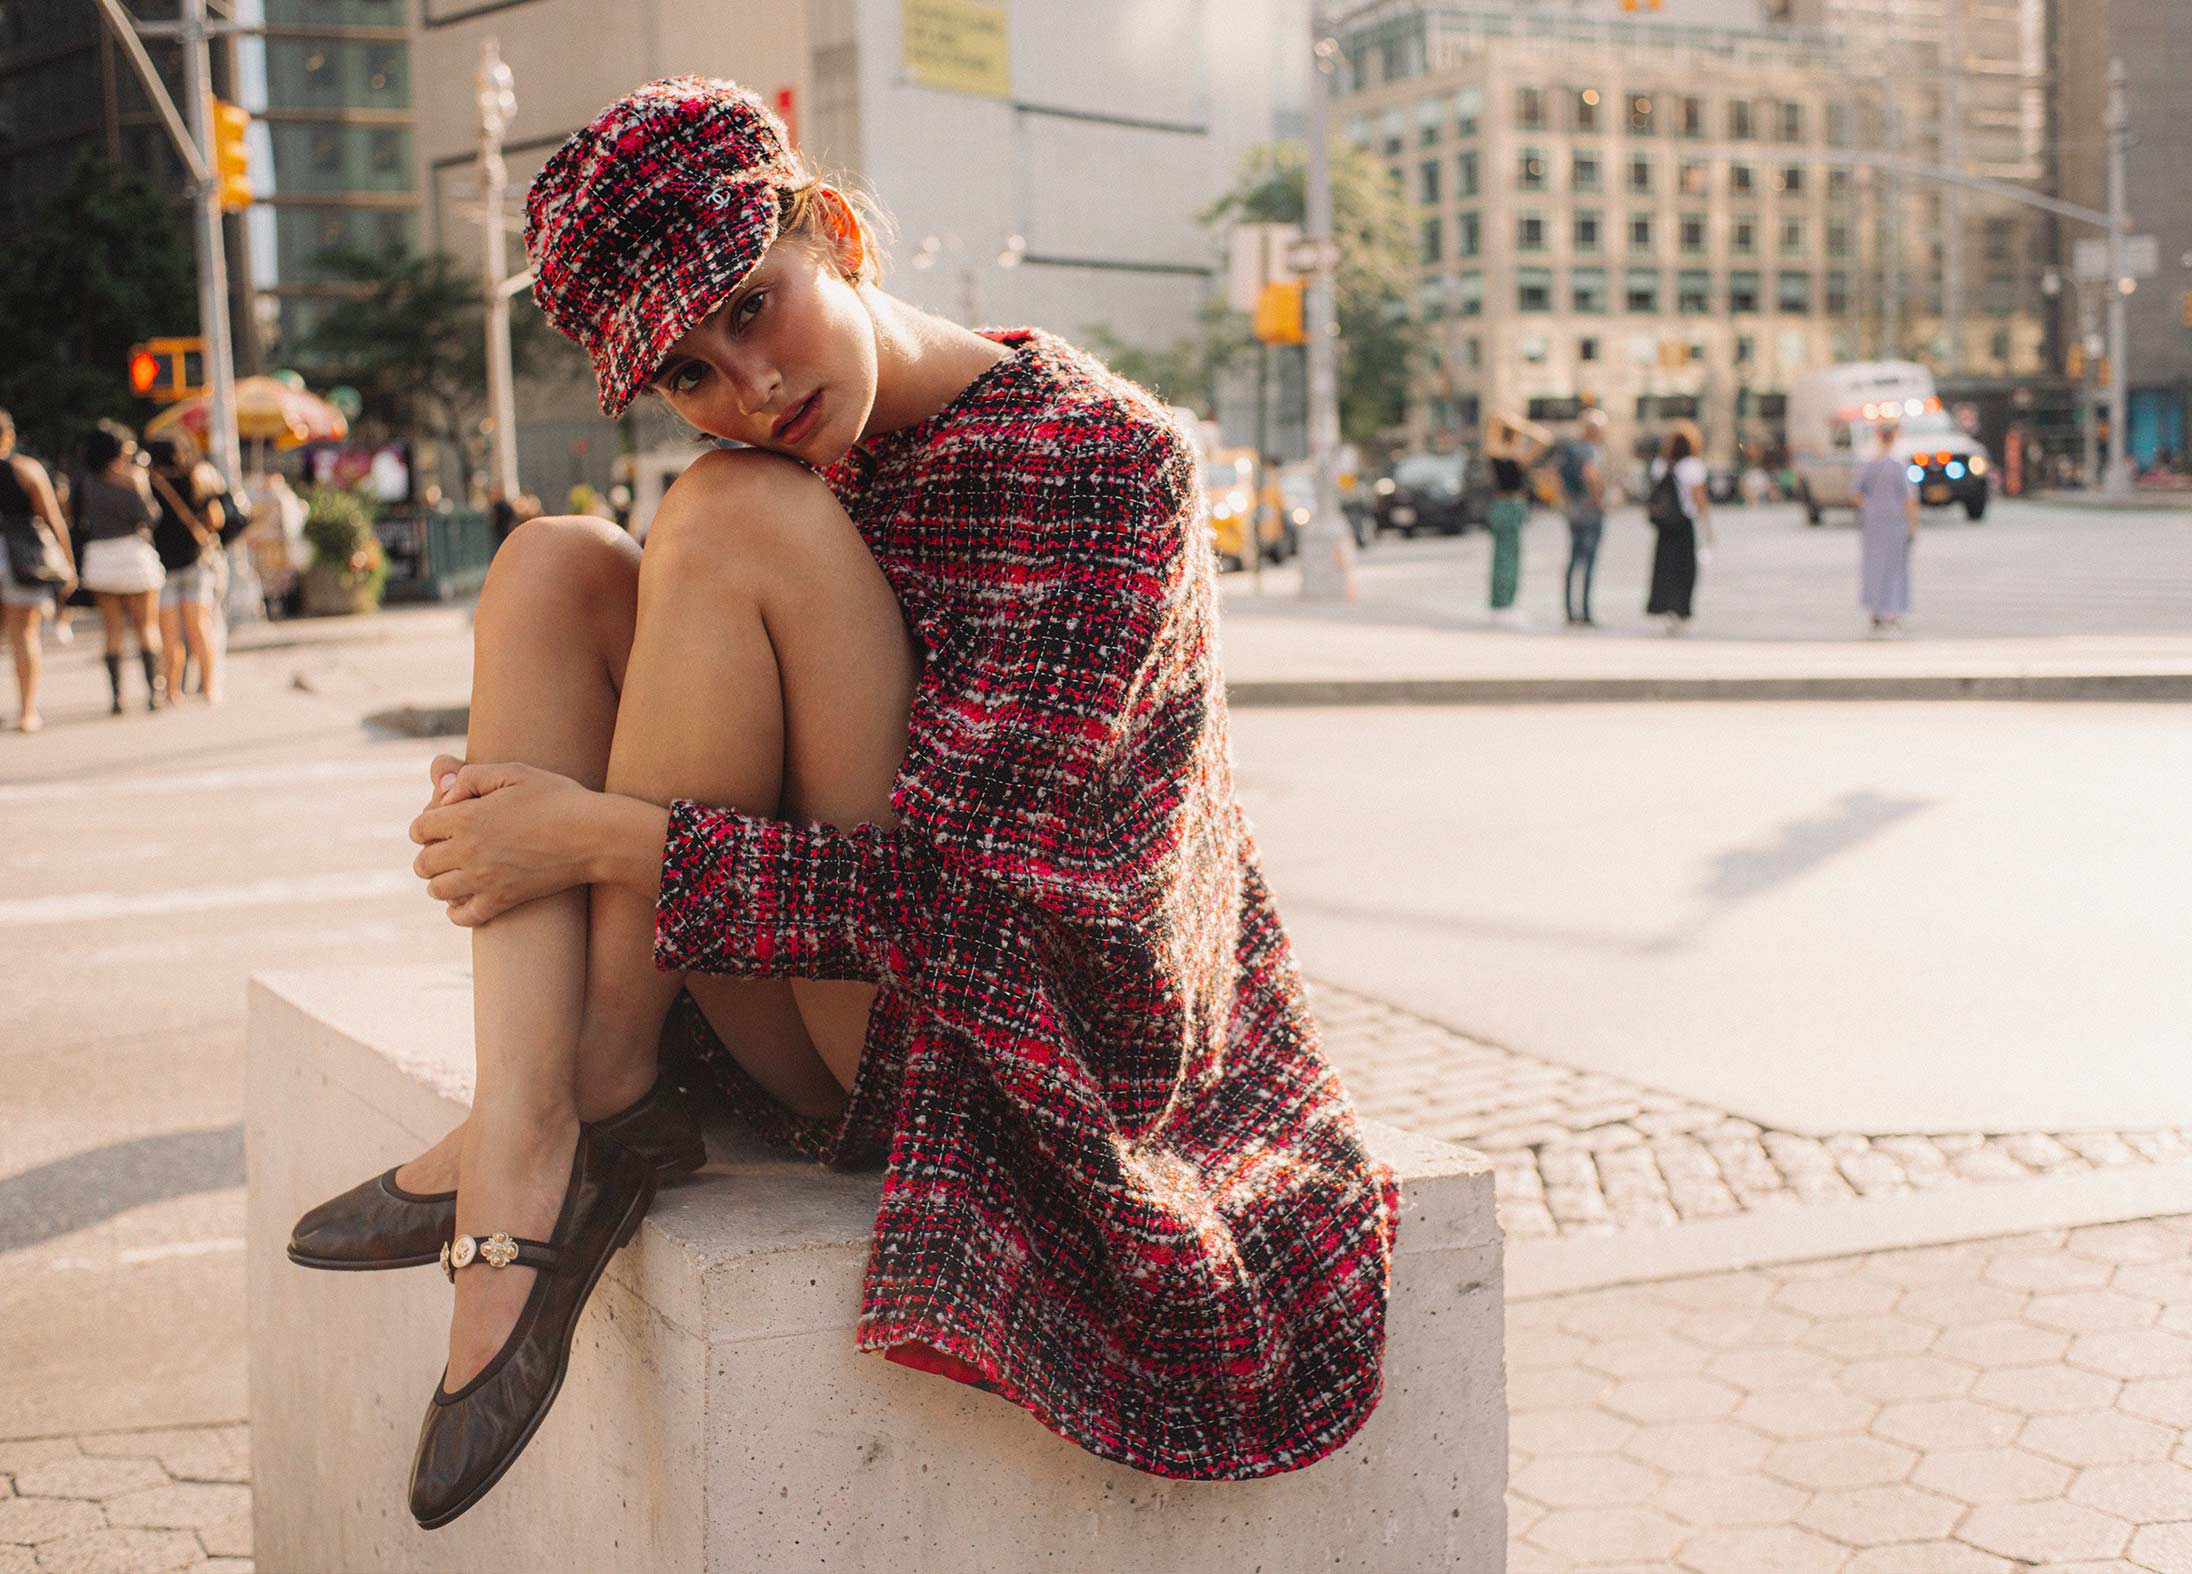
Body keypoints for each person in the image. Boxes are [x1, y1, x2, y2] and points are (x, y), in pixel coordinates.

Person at [281, 79, 1398, 1530]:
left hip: (989, 1035)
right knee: (556, 559)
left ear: (840, 228)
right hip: (784, 1000)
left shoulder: (1106, 461)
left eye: (754, 303)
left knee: (729, 510)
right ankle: (537, 1119)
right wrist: (547, 787)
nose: (744, 386)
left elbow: (977, 909)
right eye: (685, 369)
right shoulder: (801, 454)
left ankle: (576, 1110)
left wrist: (594, 830)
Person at [72, 420, 166, 711]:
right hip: (133, 554)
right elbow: (151, 517)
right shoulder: (132, 478)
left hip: (100, 558)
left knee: (112, 631)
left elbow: (78, 522)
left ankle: (117, 698)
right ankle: (154, 693)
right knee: (146, 626)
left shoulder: (86, 481)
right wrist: (141, 487)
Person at [0, 409, 75, 732]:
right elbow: (53, 518)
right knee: (24, 635)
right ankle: (27, 711)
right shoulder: (26, 470)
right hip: (21, 558)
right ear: (9, 435)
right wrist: (68, 564)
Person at [146, 436, 227, 705]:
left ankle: (172, 691)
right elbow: (217, 520)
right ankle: (208, 687)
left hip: (163, 567)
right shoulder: (197, 479)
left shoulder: (149, 484)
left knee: (169, 634)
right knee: (200, 627)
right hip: (196, 562)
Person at [1483, 412, 1553, 625]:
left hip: (1513, 507)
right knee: (1505, 557)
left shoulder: (1516, 456)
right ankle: (1502, 603)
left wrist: (1520, 426)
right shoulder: (1500, 454)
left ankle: (1504, 603)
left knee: (1509, 556)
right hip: (1506, 506)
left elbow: (1545, 439)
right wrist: (1517, 424)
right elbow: (1495, 425)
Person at [1645, 420, 1713, 634]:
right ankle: (1681, 609)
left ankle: (1666, 607)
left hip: (1665, 526)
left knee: (1665, 568)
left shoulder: (1660, 465)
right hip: (1684, 524)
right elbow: (1699, 498)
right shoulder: (1693, 466)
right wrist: (1707, 526)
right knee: (1685, 570)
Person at [1856, 420, 1919, 636]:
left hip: (1873, 524)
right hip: (1894, 523)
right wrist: (1912, 525)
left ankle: (1874, 608)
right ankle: (1892, 610)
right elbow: (1908, 498)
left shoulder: (1869, 463)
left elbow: (1856, 493)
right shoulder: (1898, 464)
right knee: (1894, 567)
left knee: (1873, 565)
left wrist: (1870, 509)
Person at [1556, 409, 1609, 627]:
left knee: (1573, 561)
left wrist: (1564, 501)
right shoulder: (1591, 451)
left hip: (1573, 511)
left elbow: (1554, 474)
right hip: (1590, 512)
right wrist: (1599, 501)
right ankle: (1585, 612)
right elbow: (1591, 475)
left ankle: (1569, 611)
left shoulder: (1571, 450)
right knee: (1588, 562)